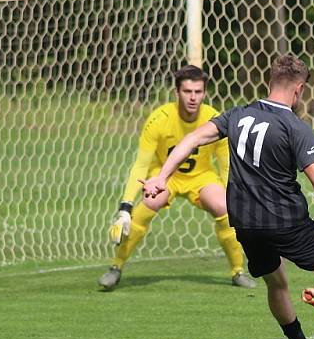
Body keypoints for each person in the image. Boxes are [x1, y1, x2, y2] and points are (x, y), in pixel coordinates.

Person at [141, 54, 314, 339]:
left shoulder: (236, 115)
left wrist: (162, 178)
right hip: (286, 221)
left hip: (245, 223)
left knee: (277, 283)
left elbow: (192, 139)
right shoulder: (294, 127)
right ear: (298, 90)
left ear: (269, 82)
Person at [98, 65, 256, 290]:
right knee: (150, 202)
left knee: (223, 206)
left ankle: (238, 271)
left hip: (201, 176)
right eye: (187, 91)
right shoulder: (159, 119)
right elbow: (141, 164)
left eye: (198, 92)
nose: (193, 97)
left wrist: (237, 197)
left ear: (204, 93)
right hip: (164, 175)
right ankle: (116, 267)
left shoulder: (215, 119)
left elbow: (226, 164)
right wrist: (126, 207)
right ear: (176, 93)